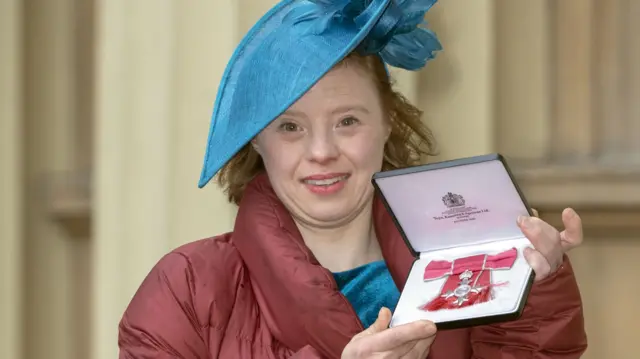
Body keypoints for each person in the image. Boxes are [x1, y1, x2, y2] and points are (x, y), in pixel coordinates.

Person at [118, 0, 587, 358]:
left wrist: (537, 288)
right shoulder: (187, 287)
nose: (322, 152)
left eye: (347, 122)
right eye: (290, 127)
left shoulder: (472, 270)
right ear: (256, 141)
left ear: (388, 122)